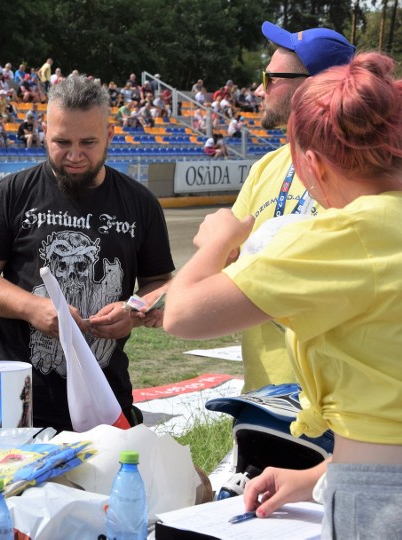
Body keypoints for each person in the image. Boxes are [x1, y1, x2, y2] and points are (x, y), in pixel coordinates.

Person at [164, 52, 402, 538]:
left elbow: (181, 314)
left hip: (378, 500)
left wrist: (218, 240)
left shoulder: (342, 235)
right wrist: (314, 478)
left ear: (312, 164)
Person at [0, 75, 174, 432]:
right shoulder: (12, 193)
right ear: (45, 132)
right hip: (17, 400)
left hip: (104, 401)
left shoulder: (140, 204)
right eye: (62, 142)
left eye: (88, 142)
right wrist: (35, 309)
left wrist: (134, 312)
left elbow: (163, 284)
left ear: (109, 133)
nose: (74, 155)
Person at [230, 22, 355, 393]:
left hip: (342, 402)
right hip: (264, 394)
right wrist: (153, 303)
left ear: (312, 88)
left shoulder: (365, 176)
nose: (257, 89)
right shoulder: (266, 167)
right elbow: (226, 258)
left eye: (270, 79)